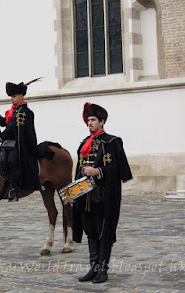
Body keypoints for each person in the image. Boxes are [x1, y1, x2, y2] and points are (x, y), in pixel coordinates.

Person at [73, 102, 132, 283]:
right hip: (85, 197)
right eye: (88, 120)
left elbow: (117, 168)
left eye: (92, 120)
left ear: (102, 121)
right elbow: (78, 170)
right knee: (90, 233)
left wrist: (98, 171)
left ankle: (103, 269)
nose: (89, 123)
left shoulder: (113, 142)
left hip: (103, 196)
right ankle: (93, 267)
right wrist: (73, 192)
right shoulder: (84, 143)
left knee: (103, 233)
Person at [0, 79, 40, 201]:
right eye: (11, 96)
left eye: (14, 96)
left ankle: (15, 189)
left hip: (21, 143)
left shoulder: (24, 112)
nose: (12, 98)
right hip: (10, 143)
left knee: (12, 160)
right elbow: (5, 123)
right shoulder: (14, 111)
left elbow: (11, 128)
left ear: (21, 97)